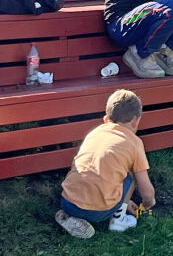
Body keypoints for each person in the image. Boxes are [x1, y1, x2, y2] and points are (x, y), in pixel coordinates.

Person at [55, 89, 155, 239]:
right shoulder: (134, 144)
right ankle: (118, 221)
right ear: (136, 120)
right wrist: (148, 202)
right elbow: (146, 190)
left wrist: (126, 201)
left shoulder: (95, 133)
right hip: (98, 211)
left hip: (67, 200)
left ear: (106, 119)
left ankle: (70, 217)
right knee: (132, 175)